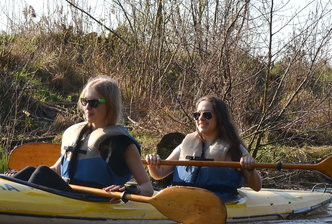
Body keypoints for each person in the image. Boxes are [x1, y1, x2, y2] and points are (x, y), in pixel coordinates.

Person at [14, 75, 154, 196]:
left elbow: (148, 188)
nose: (87, 107)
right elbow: (56, 170)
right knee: (33, 171)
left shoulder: (122, 143)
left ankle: (15, 202)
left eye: (94, 103)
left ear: (110, 105)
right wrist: (15, 176)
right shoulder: (78, 134)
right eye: (85, 102)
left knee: (42, 173)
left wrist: (128, 189)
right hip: (70, 193)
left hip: (95, 199)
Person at [145, 95, 262, 202]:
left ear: (219, 118)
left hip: (218, 204)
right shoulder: (186, 144)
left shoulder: (233, 148)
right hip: (182, 202)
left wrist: (250, 169)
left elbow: (256, 186)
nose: (200, 118)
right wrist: (152, 164)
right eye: (197, 115)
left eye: (207, 114)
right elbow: (158, 174)